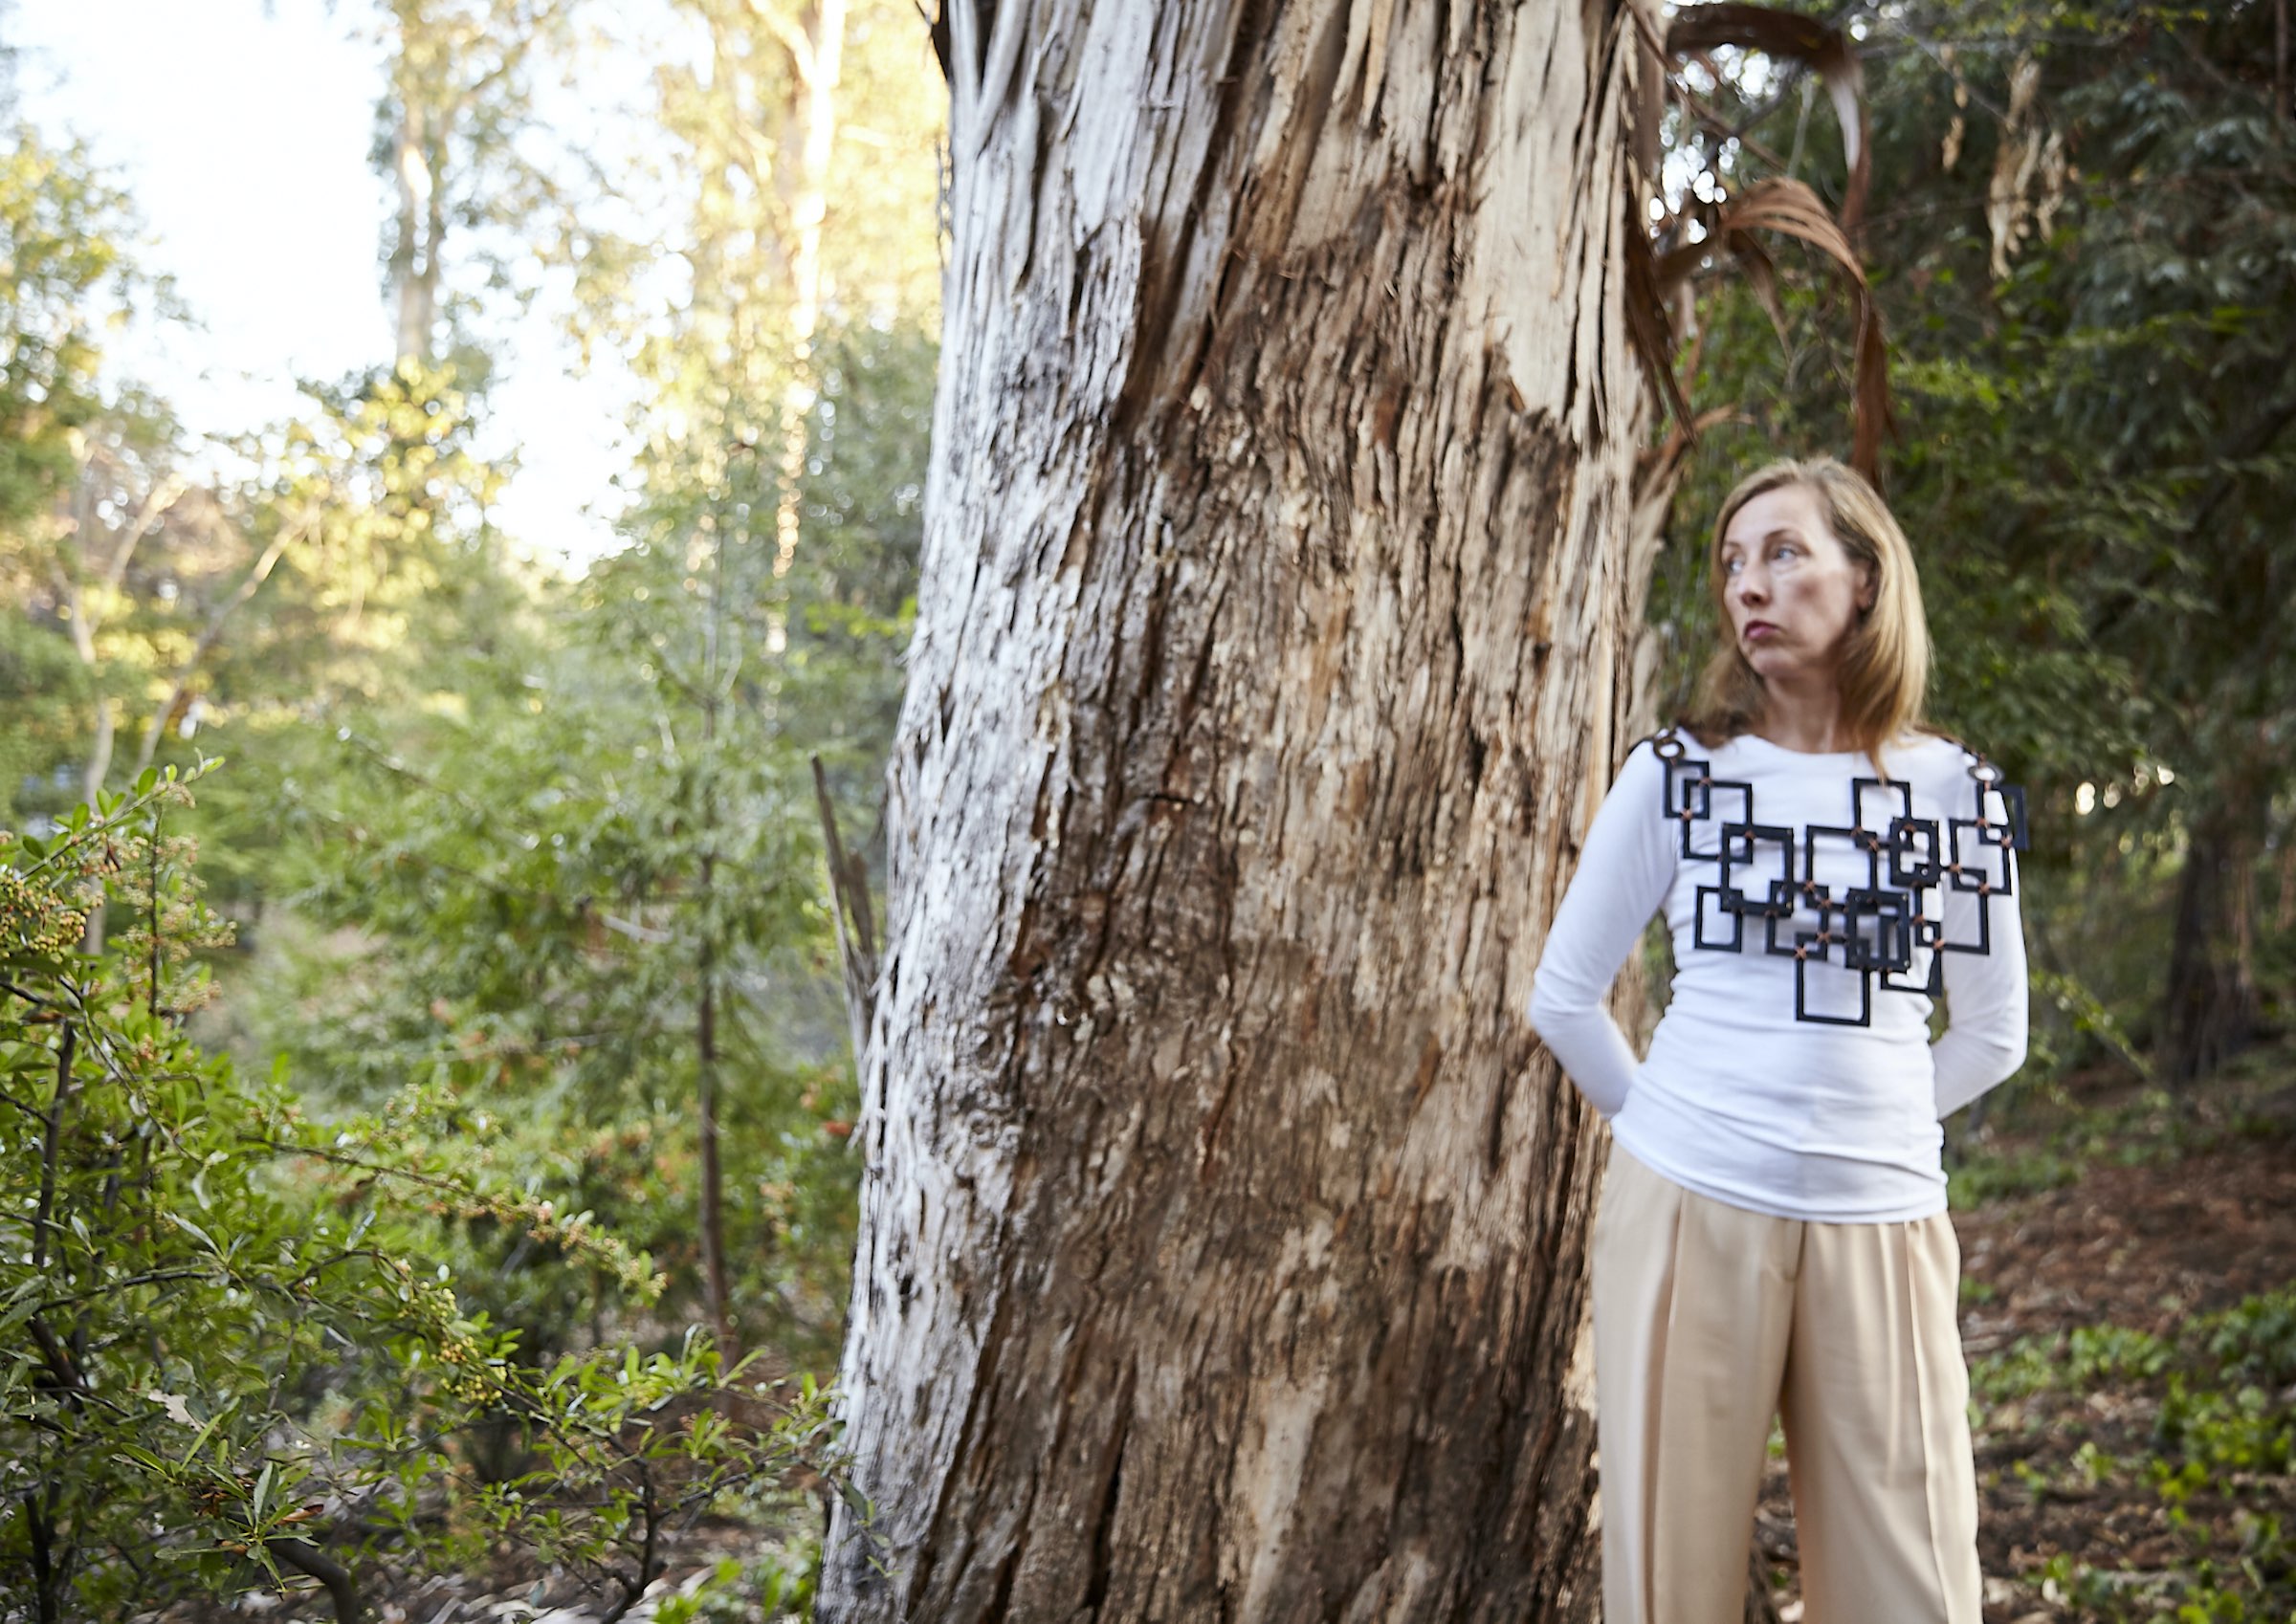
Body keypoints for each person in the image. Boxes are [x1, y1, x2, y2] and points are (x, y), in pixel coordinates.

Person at [1528, 455, 2030, 1624]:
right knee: (1671, 1585)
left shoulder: (1958, 795)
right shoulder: (1677, 777)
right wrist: (1682, 1128)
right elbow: (1564, 997)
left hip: (1886, 1220)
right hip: (1688, 1211)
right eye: (1733, 562)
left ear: (1866, 579)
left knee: (1915, 1587)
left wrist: (1864, 1118)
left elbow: (1994, 1031)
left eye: (1785, 553)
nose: (1749, 584)